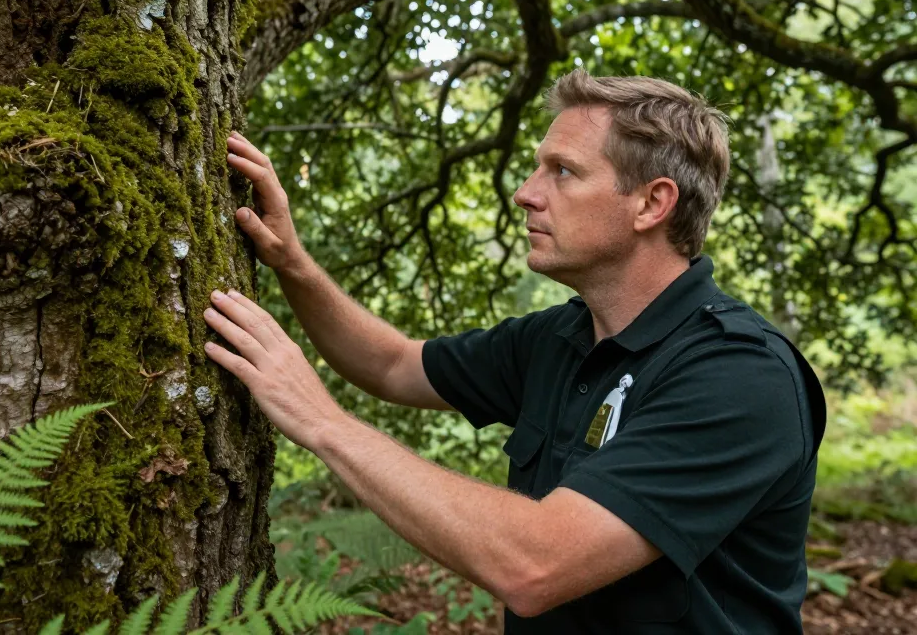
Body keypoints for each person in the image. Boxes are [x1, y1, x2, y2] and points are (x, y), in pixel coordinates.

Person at [202, 69, 826, 634]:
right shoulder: (561, 338)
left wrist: (319, 420)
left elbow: (535, 565)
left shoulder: (741, 375)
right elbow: (392, 364)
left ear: (652, 203)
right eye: (536, 167)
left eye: (563, 170)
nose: (526, 192)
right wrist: (291, 262)